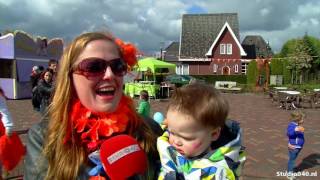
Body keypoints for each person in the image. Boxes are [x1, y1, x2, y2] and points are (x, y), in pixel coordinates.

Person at [24, 32, 163, 180]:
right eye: (94, 67)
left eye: (118, 66)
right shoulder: (44, 138)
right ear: (70, 77)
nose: (110, 75)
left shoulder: (149, 129)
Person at [157, 83, 246, 180]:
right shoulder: (173, 137)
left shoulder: (217, 173)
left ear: (214, 134)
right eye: (172, 132)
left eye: (187, 138)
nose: (176, 141)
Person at [287, 110, 305, 179]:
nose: (303, 120)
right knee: (292, 160)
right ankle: (289, 174)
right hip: (294, 147)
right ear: (298, 119)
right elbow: (289, 133)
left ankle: (291, 170)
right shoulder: (292, 125)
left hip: (298, 146)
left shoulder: (298, 125)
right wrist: (295, 130)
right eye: (302, 119)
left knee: (293, 159)